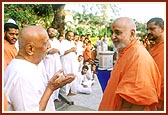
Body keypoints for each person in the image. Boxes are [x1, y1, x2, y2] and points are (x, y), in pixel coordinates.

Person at [4, 25, 75, 111]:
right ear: (30, 49)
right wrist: (51, 88)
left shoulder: (30, 65)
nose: (49, 46)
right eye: (45, 43)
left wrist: (51, 85)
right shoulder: (22, 75)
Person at [98, 17, 161, 111]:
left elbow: (138, 102)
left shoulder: (138, 56)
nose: (112, 36)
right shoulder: (126, 51)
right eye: (112, 33)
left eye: (117, 33)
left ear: (132, 34)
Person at [147, 17, 164, 111]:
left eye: (152, 29)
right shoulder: (153, 48)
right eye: (147, 29)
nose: (148, 32)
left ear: (162, 29)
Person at [43, 27, 63, 102]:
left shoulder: (58, 41)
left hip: (56, 62)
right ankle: (47, 97)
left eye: (53, 31)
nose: (52, 32)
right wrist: (48, 51)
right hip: (48, 62)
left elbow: (62, 51)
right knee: (48, 77)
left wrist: (57, 50)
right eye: (50, 31)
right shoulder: (44, 41)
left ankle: (55, 96)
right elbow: (41, 50)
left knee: (57, 77)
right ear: (47, 32)